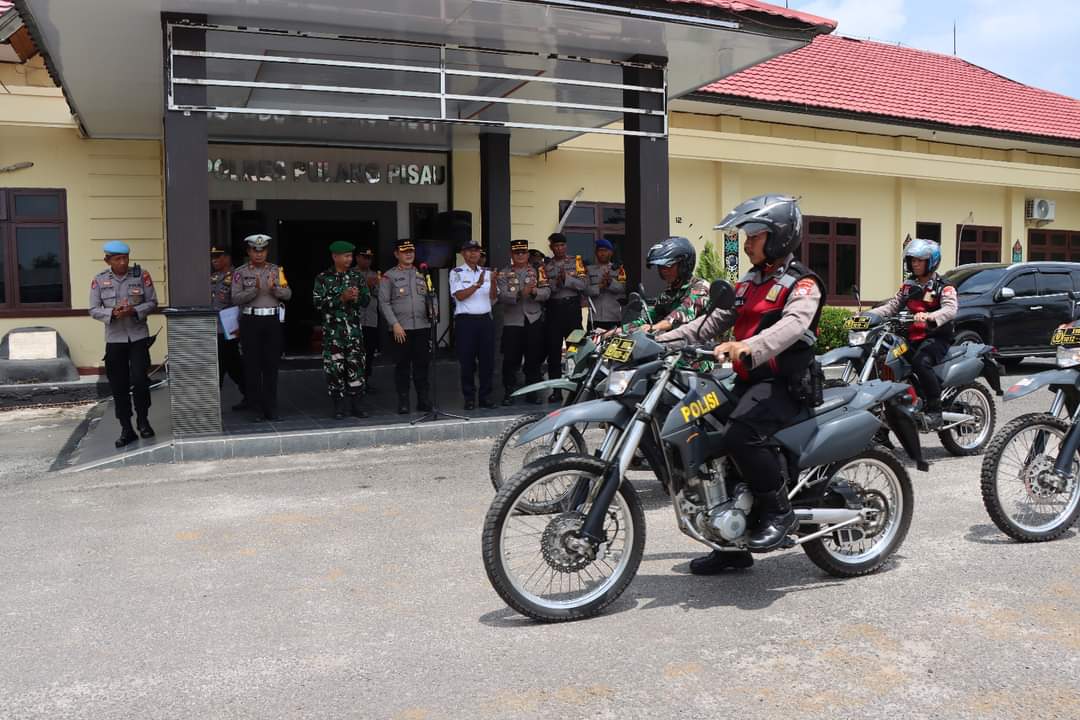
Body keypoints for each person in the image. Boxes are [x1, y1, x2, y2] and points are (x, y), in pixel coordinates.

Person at [658, 195, 825, 573]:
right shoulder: (750, 282)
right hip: (749, 381)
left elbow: (793, 326)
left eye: (754, 235)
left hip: (785, 384)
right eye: (746, 236)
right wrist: (655, 341)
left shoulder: (802, 284)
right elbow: (708, 324)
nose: (746, 243)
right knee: (706, 435)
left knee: (739, 435)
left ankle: (780, 514)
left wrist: (748, 346)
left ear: (779, 237)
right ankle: (731, 544)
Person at [868, 238, 957, 429]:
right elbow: (892, 306)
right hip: (912, 337)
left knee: (920, 362)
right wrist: (867, 315)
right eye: (912, 260)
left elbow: (950, 309)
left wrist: (930, 316)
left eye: (919, 260)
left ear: (931, 261)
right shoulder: (908, 286)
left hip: (936, 337)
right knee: (887, 360)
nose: (915, 264)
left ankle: (935, 411)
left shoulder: (944, 286)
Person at [88, 240, 159, 448]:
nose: (122, 262)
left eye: (125, 258)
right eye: (117, 259)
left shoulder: (141, 275)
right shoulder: (99, 280)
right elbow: (93, 309)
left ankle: (143, 421)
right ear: (107, 260)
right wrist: (112, 313)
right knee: (118, 385)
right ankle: (126, 428)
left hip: (138, 337)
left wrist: (134, 311)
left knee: (139, 380)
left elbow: (152, 302)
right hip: (115, 339)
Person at [231, 233, 292, 422]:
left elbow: (288, 294)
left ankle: (271, 409)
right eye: (255, 251)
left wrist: (276, 290)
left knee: (271, 366)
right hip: (251, 321)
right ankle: (256, 409)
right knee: (253, 366)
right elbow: (235, 298)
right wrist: (254, 290)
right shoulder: (240, 272)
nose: (259, 254)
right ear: (249, 251)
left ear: (267, 251)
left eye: (262, 250)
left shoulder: (276, 270)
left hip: (271, 320)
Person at [313, 241, 371, 420]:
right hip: (333, 334)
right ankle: (339, 406)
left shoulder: (356, 276)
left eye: (350, 256)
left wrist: (357, 297)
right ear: (335, 256)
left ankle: (357, 405)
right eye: (345, 256)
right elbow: (318, 303)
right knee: (335, 370)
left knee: (356, 368)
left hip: (353, 332)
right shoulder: (323, 278)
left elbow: (366, 300)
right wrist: (341, 298)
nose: (349, 259)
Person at [609, 236, 710, 337]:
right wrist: (618, 331)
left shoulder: (700, 287)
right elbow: (649, 317)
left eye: (668, 266)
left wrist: (654, 327)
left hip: (700, 348)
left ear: (684, 265)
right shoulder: (669, 292)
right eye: (660, 267)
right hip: (674, 346)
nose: (663, 271)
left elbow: (682, 313)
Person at [379, 239, 434, 415]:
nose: (409, 254)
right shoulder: (389, 276)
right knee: (402, 367)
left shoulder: (422, 274)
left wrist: (435, 311)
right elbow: (384, 303)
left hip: (422, 327)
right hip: (400, 329)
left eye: (411, 251)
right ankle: (403, 401)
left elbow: (432, 296)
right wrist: (394, 324)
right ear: (396, 254)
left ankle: (423, 400)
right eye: (404, 251)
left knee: (422, 366)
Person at [498, 238, 551, 405]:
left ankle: (532, 393)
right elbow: (501, 296)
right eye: (516, 252)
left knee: (533, 359)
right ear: (511, 254)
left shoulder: (537, 271)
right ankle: (509, 392)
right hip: (512, 321)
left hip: (533, 319)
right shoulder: (503, 273)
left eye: (523, 252)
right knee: (510, 360)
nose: (520, 255)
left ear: (527, 254)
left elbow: (547, 292)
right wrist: (521, 293)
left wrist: (534, 292)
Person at [450, 239, 498, 410]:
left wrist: (493, 282)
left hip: (485, 320)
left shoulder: (487, 272)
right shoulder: (456, 272)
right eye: (469, 250)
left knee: (487, 361)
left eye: (476, 250)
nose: (473, 253)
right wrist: (477, 285)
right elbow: (460, 296)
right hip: (466, 322)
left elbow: (493, 297)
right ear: (463, 253)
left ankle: (485, 397)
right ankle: (469, 397)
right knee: (467, 362)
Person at [543, 232, 588, 402]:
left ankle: (577, 389)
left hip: (572, 309)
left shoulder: (576, 263)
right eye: (556, 246)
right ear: (551, 247)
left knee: (575, 349)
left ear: (566, 246)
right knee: (554, 351)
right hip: (554, 310)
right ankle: (556, 390)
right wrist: (558, 282)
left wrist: (567, 279)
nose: (560, 248)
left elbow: (583, 284)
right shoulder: (546, 267)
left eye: (562, 245)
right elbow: (546, 288)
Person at [210, 245, 247, 411]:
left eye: (218, 257)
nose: (215, 260)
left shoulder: (236, 276)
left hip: (228, 329)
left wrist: (239, 324)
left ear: (227, 257)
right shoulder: (212, 277)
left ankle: (212, 404)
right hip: (212, 328)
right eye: (213, 257)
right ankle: (252, 395)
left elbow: (241, 303)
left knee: (221, 366)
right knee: (233, 366)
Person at [585, 238, 627, 330]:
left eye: (605, 251)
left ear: (611, 253)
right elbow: (585, 290)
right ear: (596, 253)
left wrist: (610, 282)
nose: (602, 253)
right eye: (600, 250)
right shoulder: (589, 270)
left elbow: (622, 288)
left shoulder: (619, 270)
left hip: (613, 316)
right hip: (595, 317)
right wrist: (600, 286)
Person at [355, 247, 381, 392]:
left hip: (371, 320)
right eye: (364, 257)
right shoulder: (351, 273)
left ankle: (365, 381)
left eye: (370, 258)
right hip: (355, 320)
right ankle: (353, 382)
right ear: (358, 258)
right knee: (355, 353)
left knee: (369, 353)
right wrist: (366, 284)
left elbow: (381, 294)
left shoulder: (375, 274)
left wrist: (375, 285)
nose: (367, 260)